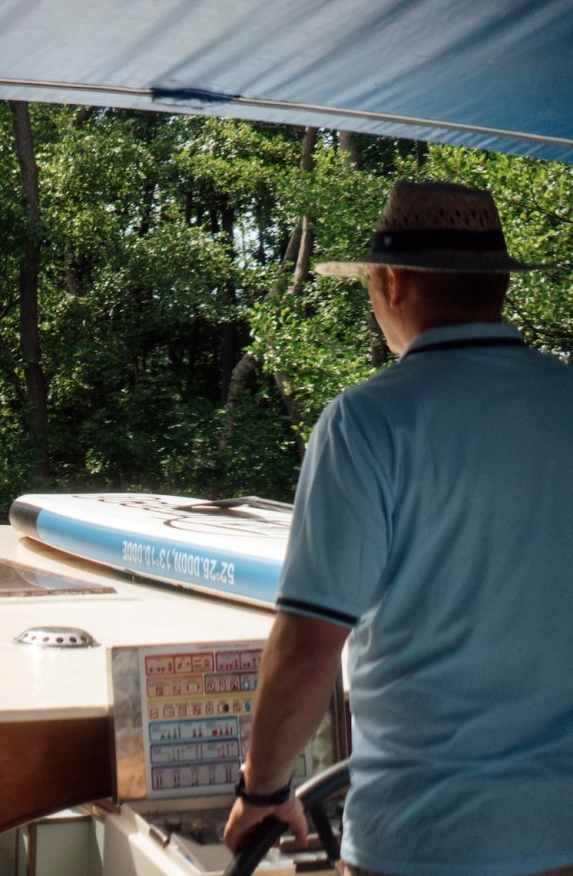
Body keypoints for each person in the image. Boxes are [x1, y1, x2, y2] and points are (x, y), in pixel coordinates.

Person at [223, 182, 573, 875]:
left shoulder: (366, 424)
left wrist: (262, 789)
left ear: (393, 283)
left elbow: (307, 649)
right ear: (497, 286)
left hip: (424, 841)